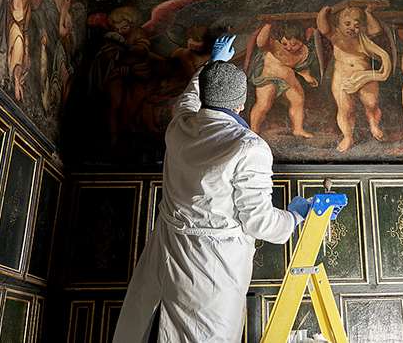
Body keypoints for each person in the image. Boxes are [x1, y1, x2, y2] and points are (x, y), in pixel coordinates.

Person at [112, 35, 311, 343]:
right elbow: (258, 222)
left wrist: (214, 63)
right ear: (242, 104)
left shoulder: (179, 127)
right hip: (212, 268)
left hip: (168, 251)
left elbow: (189, 100)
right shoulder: (249, 147)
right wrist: (295, 218)